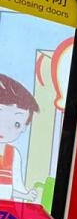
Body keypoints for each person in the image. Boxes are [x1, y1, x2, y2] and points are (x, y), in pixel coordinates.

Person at [0, 74, 39, 203]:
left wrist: (26, 196)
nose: (3, 128)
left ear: (24, 127)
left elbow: (16, 186)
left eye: (16, 124)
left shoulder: (13, 155)